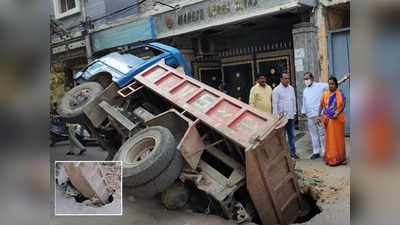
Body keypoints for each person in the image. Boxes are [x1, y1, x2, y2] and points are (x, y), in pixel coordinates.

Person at [301, 72, 350, 159]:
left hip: (319, 115)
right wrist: (303, 113)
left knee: (322, 133)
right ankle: (315, 151)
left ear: (312, 78)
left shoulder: (320, 86)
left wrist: (344, 78)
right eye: (305, 79)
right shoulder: (305, 90)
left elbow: (334, 84)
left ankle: (324, 151)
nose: (306, 81)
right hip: (310, 115)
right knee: (313, 134)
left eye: (307, 79)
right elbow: (304, 103)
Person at [317, 76, 346, 166]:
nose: (331, 85)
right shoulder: (325, 94)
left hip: (337, 120)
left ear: (336, 84)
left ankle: (340, 158)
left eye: (332, 84)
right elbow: (321, 105)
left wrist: (337, 113)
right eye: (329, 84)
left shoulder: (340, 94)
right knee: (330, 139)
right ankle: (331, 158)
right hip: (328, 120)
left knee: (338, 139)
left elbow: (343, 105)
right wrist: (318, 116)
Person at [272, 72, 298, 159]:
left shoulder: (291, 88)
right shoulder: (276, 90)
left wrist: (294, 113)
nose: (287, 80)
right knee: (282, 137)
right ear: (281, 79)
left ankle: (292, 153)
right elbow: (274, 105)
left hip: (290, 116)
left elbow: (293, 101)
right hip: (281, 118)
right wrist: (276, 117)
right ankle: (282, 155)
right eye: (285, 78)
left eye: (288, 78)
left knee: (291, 135)